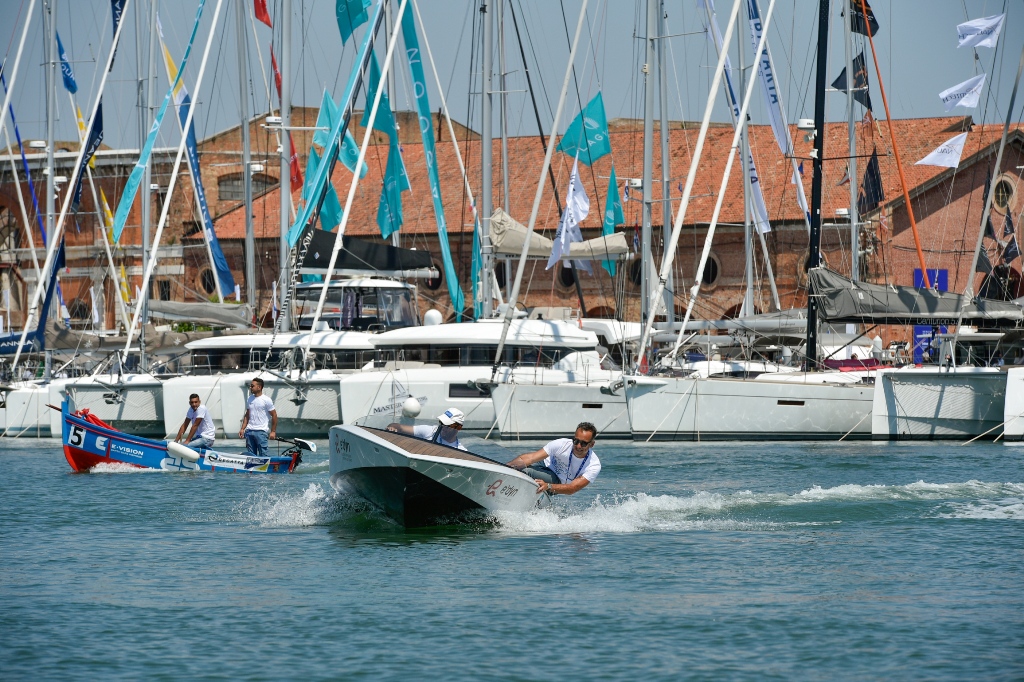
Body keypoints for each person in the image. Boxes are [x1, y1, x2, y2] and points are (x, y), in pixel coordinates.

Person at [506, 422, 601, 496]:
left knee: (527, 471)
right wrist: (505, 467)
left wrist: (548, 486)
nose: (578, 446)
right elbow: (530, 458)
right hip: (544, 463)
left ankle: (509, 491)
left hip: (557, 481)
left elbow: (573, 488)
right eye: (576, 441)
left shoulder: (593, 465)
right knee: (518, 464)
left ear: (592, 444)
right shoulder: (561, 444)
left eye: (583, 443)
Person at [388, 408, 467, 451]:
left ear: (458, 428)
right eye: (441, 423)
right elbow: (399, 427)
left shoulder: (462, 451)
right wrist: (392, 428)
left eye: (447, 425)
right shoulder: (431, 431)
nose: (443, 427)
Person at [238, 377, 277, 456]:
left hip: (261, 432)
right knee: (251, 455)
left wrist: (273, 431)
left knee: (263, 454)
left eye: (252, 386)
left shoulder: (266, 400)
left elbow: (274, 415)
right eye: (250, 386)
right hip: (249, 431)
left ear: (259, 387)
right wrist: (242, 429)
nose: (250, 387)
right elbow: (247, 415)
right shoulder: (250, 399)